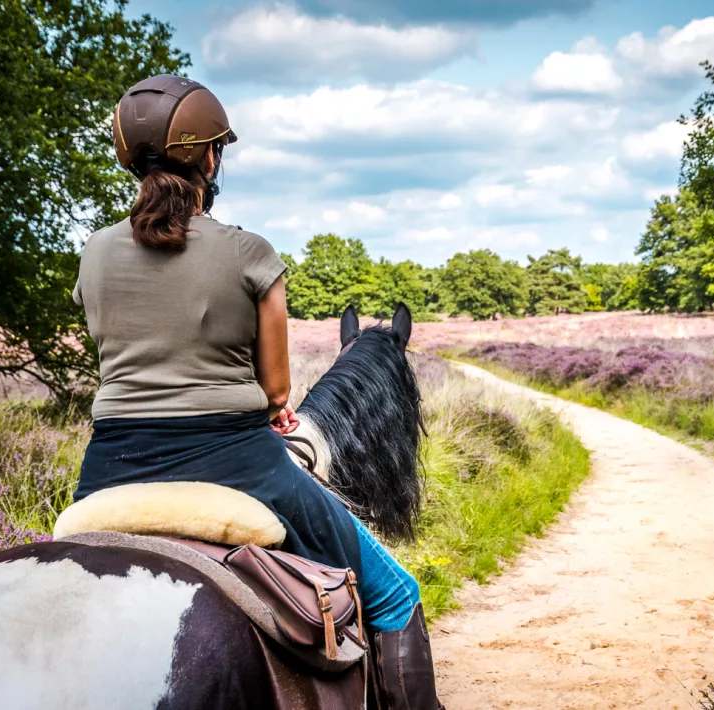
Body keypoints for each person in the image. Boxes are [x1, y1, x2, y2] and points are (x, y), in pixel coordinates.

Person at [71, 74, 442, 710]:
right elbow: (276, 390)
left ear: (131, 158)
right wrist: (272, 406)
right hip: (240, 466)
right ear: (208, 156)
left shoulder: (94, 252)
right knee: (394, 594)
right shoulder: (250, 252)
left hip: (108, 470)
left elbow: (111, 353)